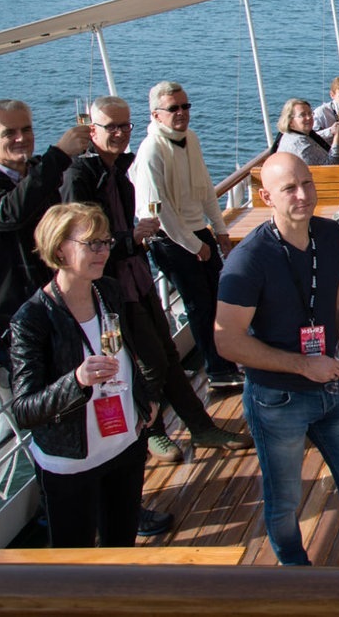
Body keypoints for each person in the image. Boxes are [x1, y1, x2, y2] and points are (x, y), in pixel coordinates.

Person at [214, 153, 339, 567]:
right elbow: (227, 343)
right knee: (285, 501)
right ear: (266, 198)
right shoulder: (248, 260)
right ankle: (296, 574)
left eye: (308, 183)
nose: (303, 195)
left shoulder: (330, 235)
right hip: (278, 400)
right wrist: (302, 365)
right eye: (289, 188)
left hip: (334, 389)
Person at [63, 96, 252, 463]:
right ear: (92, 131)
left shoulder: (119, 169)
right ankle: (152, 431)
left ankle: (200, 427)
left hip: (136, 275)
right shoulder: (80, 176)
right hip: (106, 288)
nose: (119, 134)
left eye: (124, 126)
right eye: (111, 127)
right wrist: (130, 238)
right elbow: (77, 240)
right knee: (145, 360)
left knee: (165, 353)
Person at [8, 203, 157, 548]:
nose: (103, 251)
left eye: (105, 242)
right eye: (92, 243)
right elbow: (25, 409)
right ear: (59, 248)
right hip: (72, 463)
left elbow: (133, 355)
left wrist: (146, 397)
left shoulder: (108, 291)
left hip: (125, 445)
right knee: (73, 560)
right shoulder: (32, 319)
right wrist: (76, 381)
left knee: (121, 546)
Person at [0, 99, 90, 364]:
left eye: (27, 129)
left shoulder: (35, 174)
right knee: (33, 402)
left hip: (48, 309)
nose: (21, 138)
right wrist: (59, 156)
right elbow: (10, 213)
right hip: (8, 326)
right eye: (9, 133)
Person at [130, 81, 241, 391]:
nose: (181, 113)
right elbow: (159, 212)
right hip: (172, 241)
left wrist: (219, 230)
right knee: (200, 306)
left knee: (220, 300)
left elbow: (205, 187)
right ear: (155, 114)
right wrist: (195, 246)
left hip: (198, 233)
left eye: (185, 106)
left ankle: (228, 360)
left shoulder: (189, 138)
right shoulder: (152, 149)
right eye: (173, 108)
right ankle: (217, 371)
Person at [273, 99, 339, 166]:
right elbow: (333, 163)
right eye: (303, 115)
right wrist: (338, 135)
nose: (309, 117)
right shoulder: (301, 144)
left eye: (310, 113)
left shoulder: (289, 135)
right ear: (290, 121)